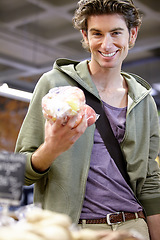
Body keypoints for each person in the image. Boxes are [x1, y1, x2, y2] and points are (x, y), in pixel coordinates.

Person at [15, 0, 160, 239]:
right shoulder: (55, 85)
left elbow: (151, 182)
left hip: (133, 226)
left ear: (132, 34)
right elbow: (20, 172)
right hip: (73, 229)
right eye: (97, 33)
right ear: (85, 35)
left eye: (116, 33)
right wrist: (51, 149)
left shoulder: (143, 100)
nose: (106, 44)